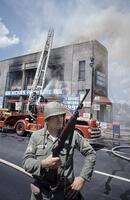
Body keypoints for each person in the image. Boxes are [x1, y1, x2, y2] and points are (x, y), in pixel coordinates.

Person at [22, 102, 96, 200]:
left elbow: (91, 153)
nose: (60, 119)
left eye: (61, 116)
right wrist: (43, 164)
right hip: (43, 193)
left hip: (67, 192)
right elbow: (26, 162)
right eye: (55, 116)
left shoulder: (72, 135)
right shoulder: (36, 137)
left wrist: (83, 178)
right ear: (47, 120)